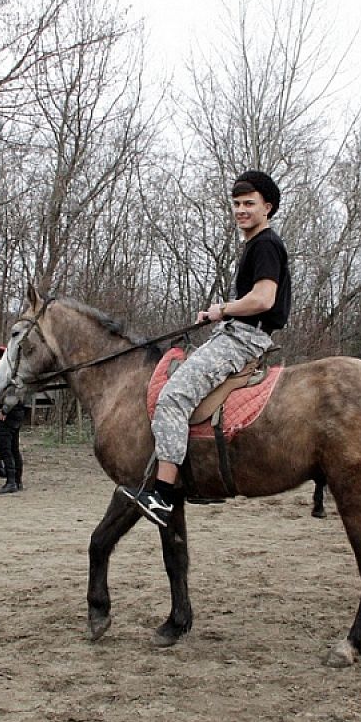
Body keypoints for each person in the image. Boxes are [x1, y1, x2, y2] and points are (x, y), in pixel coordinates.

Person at [122, 170, 291, 527]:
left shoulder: (265, 244)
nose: (241, 210)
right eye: (237, 204)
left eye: (249, 203)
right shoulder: (256, 244)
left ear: (267, 207)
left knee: (172, 397)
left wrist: (223, 309)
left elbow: (263, 299)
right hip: (236, 331)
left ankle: (163, 495)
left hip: (244, 338)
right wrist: (217, 314)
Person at [0, 345, 25, 495]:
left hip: (10, 411)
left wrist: (5, 409)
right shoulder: (4, 372)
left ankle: (12, 481)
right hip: (11, 410)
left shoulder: (11, 372)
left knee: (4, 447)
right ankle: (17, 480)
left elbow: (14, 393)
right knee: (13, 447)